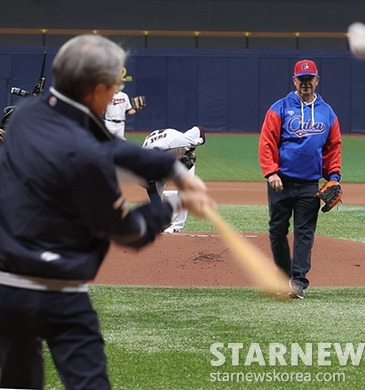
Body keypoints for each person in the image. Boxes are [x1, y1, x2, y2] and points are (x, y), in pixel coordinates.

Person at [0, 34, 213, 389]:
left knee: (17, 382)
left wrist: (173, 171)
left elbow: (115, 149)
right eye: (113, 82)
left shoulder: (23, 120)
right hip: (60, 293)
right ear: (97, 88)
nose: (116, 89)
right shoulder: (88, 157)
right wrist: (177, 203)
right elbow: (128, 231)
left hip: (8, 288)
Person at [258, 59, 342, 299]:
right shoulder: (280, 107)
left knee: (304, 232)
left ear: (317, 80)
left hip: (309, 185)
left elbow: (333, 146)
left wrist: (334, 177)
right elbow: (267, 142)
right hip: (280, 181)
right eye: (301, 79)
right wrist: (271, 171)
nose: (306, 83)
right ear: (294, 81)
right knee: (277, 230)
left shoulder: (327, 112)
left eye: (310, 79)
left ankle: (298, 282)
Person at [142, 125, 206, 233]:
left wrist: (190, 150)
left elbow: (199, 130)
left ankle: (177, 226)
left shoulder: (181, 141)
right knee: (155, 187)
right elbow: (152, 190)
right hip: (160, 159)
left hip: (172, 147)